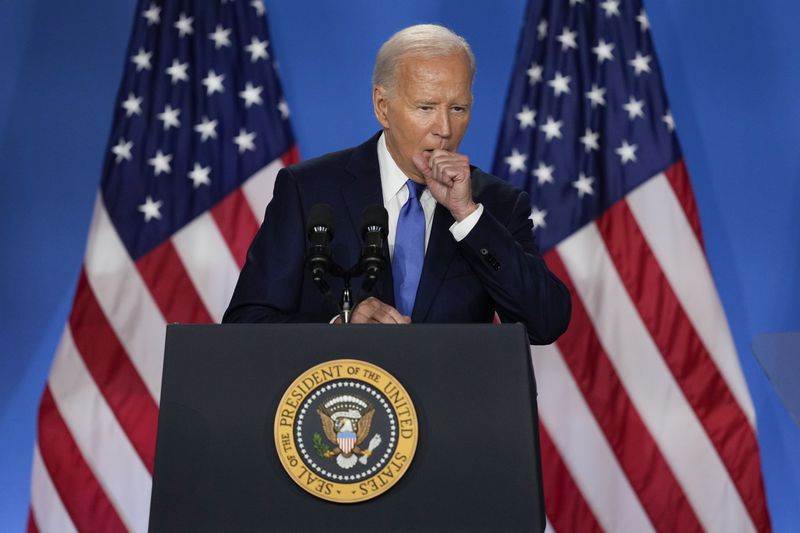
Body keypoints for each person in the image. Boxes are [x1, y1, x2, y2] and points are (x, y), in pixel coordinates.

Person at [223, 24, 570, 344]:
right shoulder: (308, 190)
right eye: (426, 107)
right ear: (382, 106)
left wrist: (467, 215)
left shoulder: (495, 205)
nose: (445, 129)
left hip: (447, 409)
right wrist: (337, 329)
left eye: (459, 109)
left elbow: (545, 323)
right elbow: (245, 323)